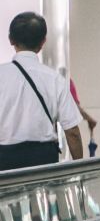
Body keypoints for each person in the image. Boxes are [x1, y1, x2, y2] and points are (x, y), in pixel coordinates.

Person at [0, 12, 83, 167]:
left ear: (11, 39)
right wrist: (80, 170)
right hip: (43, 160)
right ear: (43, 41)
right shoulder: (55, 79)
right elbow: (72, 132)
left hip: (5, 159)